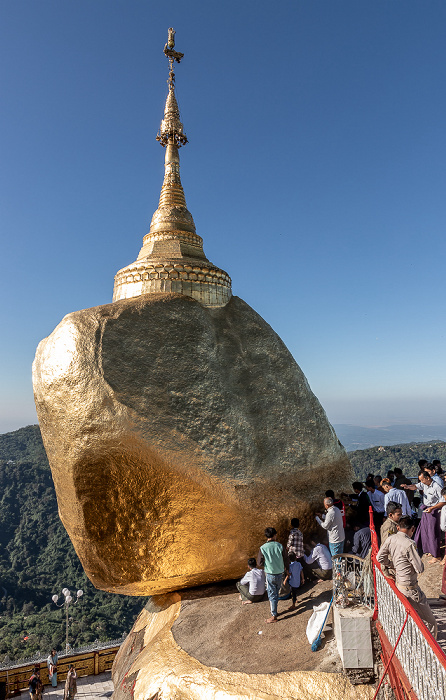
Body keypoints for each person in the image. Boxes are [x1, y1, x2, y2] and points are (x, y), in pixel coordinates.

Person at [377, 516, 437, 639]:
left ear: (398, 527)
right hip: (410, 588)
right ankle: (431, 652)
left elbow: (379, 558)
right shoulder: (409, 544)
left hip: (399, 585)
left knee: (409, 618)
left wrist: (392, 564)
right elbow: (420, 568)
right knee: (431, 622)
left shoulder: (391, 539)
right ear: (412, 529)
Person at [403, 470, 442, 561]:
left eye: (422, 480)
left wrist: (432, 508)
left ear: (427, 478)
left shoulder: (436, 486)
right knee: (426, 532)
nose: (421, 482)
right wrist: (407, 487)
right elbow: (415, 486)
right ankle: (430, 550)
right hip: (426, 510)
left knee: (433, 533)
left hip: (434, 510)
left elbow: (443, 501)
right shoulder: (424, 484)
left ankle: (437, 555)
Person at [257, 527, 288, 623]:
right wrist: (287, 570)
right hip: (280, 573)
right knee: (276, 593)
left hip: (270, 574)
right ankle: (274, 611)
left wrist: (267, 564)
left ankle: (274, 615)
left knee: (272, 595)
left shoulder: (263, 548)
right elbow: (286, 560)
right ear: (275, 535)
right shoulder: (280, 546)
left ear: (266, 536)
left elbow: (259, 563)